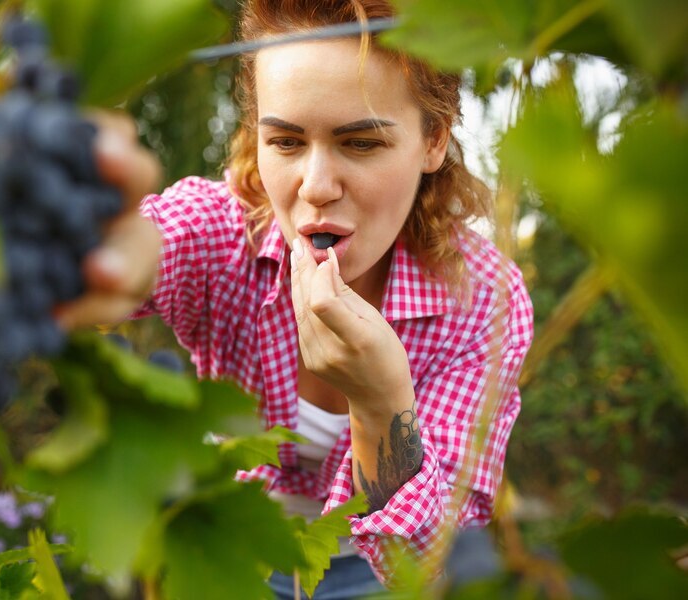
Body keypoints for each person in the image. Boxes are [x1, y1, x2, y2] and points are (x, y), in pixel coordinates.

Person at [57, 0, 533, 596]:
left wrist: (382, 404)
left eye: (360, 144)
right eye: (285, 142)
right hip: (229, 548)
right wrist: (84, 243)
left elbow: (431, 563)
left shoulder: (483, 301)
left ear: (433, 140)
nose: (315, 186)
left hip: (373, 572)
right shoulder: (223, 233)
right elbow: (123, 251)